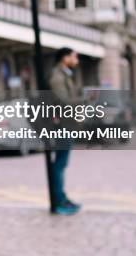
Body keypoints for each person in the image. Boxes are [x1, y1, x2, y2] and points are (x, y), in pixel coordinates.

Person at [48, 47, 83, 215]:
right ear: (65, 58)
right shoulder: (58, 77)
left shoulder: (64, 75)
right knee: (60, 164)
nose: (77, 59)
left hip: (66, 124)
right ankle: (59, 200)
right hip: (62, 125)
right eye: (74, 56)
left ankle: (61, 197)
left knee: (61, 163)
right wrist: (84, 99)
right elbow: (64, 101)